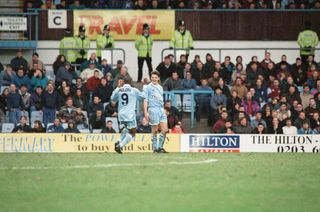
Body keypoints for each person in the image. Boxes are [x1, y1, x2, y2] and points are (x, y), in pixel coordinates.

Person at [111, 76, 145, 153]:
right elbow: (143, 97)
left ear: (123, 82)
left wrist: (117, 87)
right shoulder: (134, 90)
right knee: (133, 132)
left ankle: (118, 141)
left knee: (127, 129)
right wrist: (144, 87)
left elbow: (113, 99)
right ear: (131, 82)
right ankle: (120, 146)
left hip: (121, 114)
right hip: (130, 114)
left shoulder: (119, 90)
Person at [143, 70, 168, 153]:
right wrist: (145, 112)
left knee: (165, 130)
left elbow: (161, 99)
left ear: (158, 78)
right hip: (153, 109)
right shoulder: (147, 87)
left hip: (161, 109)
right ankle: (155, 148)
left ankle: (160, 147)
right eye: (152, 77)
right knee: (155, 130)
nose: (154, 79)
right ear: (151, 78)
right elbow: (145, 100)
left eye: (155, 77)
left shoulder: (160, 87)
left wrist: (163, 109)